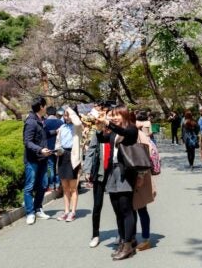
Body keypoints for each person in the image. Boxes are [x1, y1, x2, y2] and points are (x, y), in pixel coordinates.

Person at [97, 106, 139, 261]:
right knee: (117, 209)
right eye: (112, 116)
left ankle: (128, 244)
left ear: (125, 115)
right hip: (112, 172)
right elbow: (102, 138)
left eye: (117, 115)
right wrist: (99, 126)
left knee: (126, 208)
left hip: (125, 172)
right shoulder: (115, 131)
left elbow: (126, 134)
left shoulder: (131, 129)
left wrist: (108, 123)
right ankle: (123, 240)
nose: (114, 118)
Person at [23, 96, 53, 225]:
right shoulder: (31, 122)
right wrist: (40, 150)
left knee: (42, 185)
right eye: (45, 106)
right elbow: (27, 142)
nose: (46, 108)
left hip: (43, 159)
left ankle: (38, 208)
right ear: (41, 107)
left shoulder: (42, 120)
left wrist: (57, 131)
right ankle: (30, 213)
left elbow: (45, 135)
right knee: (29, 186)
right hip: (32, 160)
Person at [83, 104, 109, 248]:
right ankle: (95, 234)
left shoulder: (115, 133)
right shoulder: (97, 134)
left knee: (118, 206)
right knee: (97, 205)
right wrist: (87, 170)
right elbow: (91, 151)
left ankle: (121, 234)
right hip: (99, 173)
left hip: (113, 174)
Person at [55, 106, 84, 222]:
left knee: (73, 188)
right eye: (64, 115)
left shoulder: (77, 127)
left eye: (68, 115)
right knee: (65, 187)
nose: (66, 117)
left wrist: (70, 110)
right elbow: (58, 142)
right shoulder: (62, 127)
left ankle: (73, 212)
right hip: (62, 156)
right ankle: (66, 211)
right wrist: (57, 150)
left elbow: (77, 121)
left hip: (73, 157)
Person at [133, 112, 157, 251]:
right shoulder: (138, 132)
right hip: (137, 174)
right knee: (137, 208)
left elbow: (143, 156)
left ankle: (145, 238)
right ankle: (134, 237)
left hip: (140, 175)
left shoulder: (138, 135)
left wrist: (141, 176)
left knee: (140, 207)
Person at [43, 107, 64, 193]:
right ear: (55, 113)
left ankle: (51, 185)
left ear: (47, 114)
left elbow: (43, 135)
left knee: (50, 166)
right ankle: (58, 184)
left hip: (48, 148)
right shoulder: (61, 122)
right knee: (58, 166)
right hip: (59, 148)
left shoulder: (44, 123)